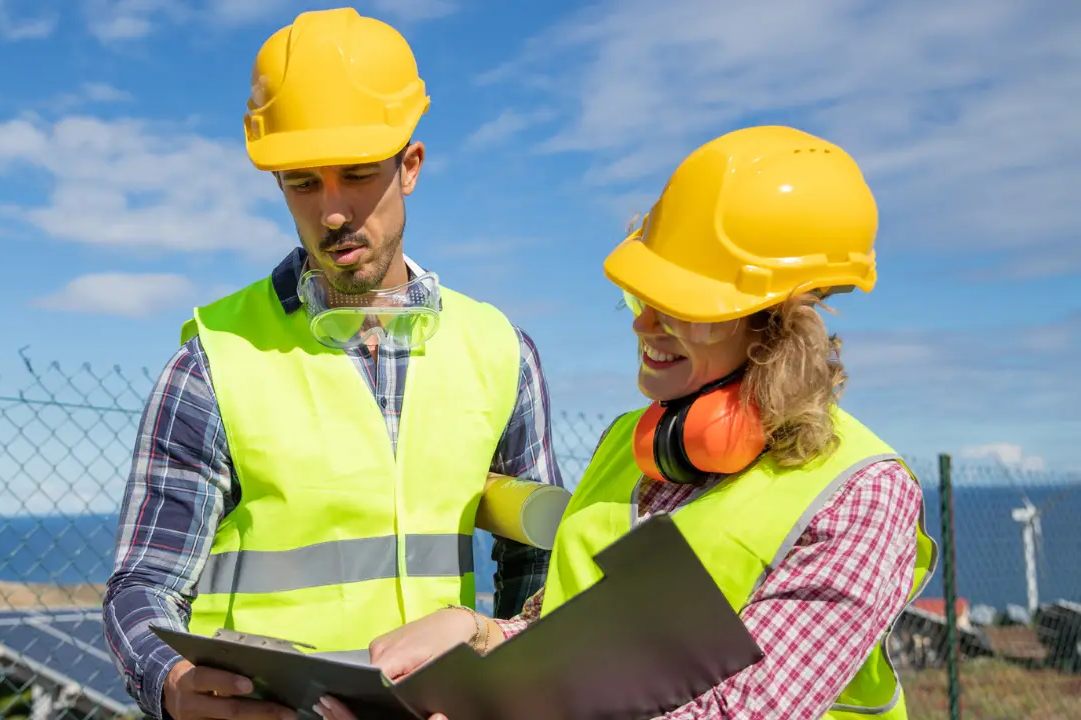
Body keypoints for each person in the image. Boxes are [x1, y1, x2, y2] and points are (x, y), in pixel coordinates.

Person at [315, 125, 938, 720]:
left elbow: (744, 709)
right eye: (644, 299)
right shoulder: (625, 446)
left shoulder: (860, 494)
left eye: (684, 309)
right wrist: (479, 631)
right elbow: (569, 634)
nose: (643, 326)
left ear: (780, 326)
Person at [101, 7, 564, 720]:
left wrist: (505, 689)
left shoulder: (502, 351)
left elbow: (538, 568)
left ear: (410, 166)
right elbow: (142, 583)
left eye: (357, 174)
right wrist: (171, 683)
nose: (335, 211)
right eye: (303, 183)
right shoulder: (213, 364)